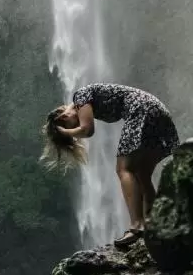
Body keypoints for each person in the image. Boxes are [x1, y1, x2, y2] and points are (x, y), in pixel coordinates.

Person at [41, 83, 181, 249]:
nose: (75, 127)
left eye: (72, 125)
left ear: (63, 118)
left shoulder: (79, 96)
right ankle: (152, 223)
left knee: (123, 169)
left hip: (141, 110)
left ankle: (137, 226)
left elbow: (87, 130)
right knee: (142, 175)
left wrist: (66, 133)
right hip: (157, 109)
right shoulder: (86, 98)